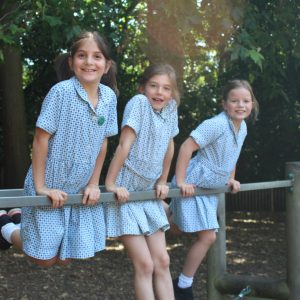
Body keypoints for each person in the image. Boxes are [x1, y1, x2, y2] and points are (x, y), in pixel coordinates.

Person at [0, 31, 118, 267]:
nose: (89, 62)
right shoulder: (61, 92)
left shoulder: (109, 98)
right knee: (43, 259)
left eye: (97, 56)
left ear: (106, 66)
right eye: (82, 55)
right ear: (71, 61)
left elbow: (103, 141)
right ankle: (6, 226)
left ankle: (17, 216)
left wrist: (94, 183)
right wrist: (42, 187)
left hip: (78, 186)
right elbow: (40, 140)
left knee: (64, 259)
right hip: (50, 181)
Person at [170, 79, 259, 300]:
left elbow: (233, 154)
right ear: (224, 104)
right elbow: (186, 147)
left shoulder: (243, 127)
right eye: (234, 101)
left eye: (246, 101)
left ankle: (164, 211)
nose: (241, 105)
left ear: (252, 103)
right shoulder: (216, 124)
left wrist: (232, 178)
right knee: (208, 236)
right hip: (195, 182)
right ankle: (183, 285)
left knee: (178, 229)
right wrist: (180, 181)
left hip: (211, 187)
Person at [105, 63, 180, 300]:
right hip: (127, 192)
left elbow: (169, 145)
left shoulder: (170, 109)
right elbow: (124, 144)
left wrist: (163, 180)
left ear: (172, 93)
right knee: (145, 264)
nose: (159, 92)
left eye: (166, 88)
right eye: (153, 86)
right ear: (143, 88)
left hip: (148, 193)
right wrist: (111, 184)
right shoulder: (138, 104)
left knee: (163, 261)